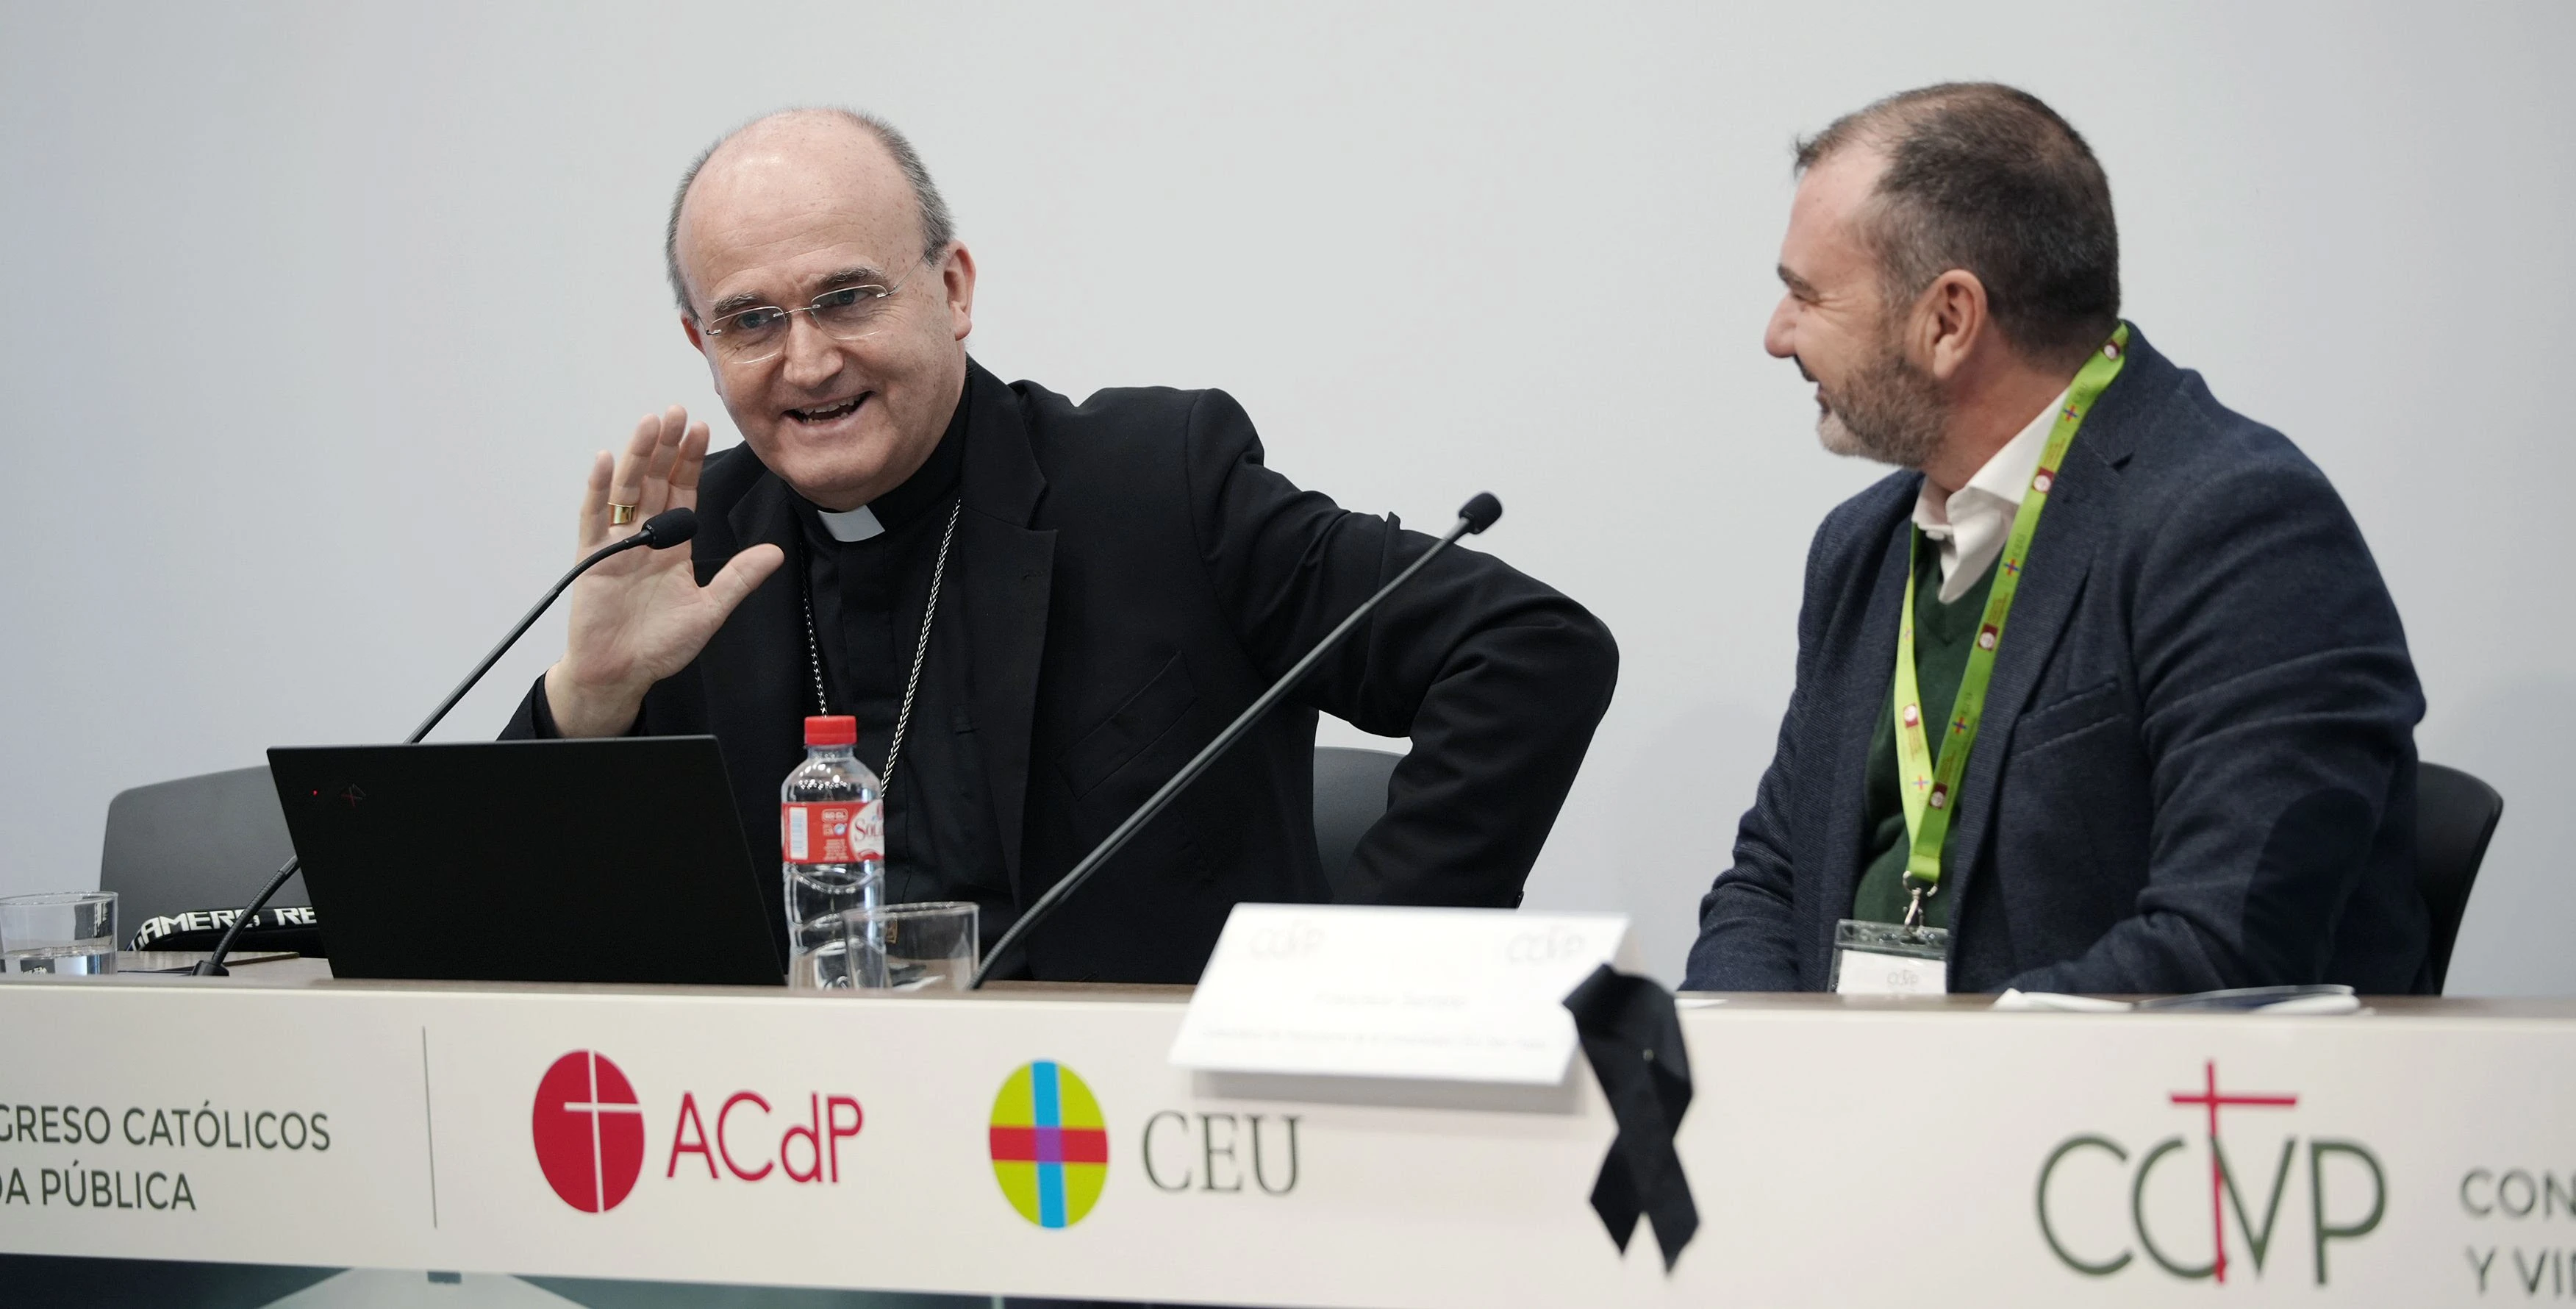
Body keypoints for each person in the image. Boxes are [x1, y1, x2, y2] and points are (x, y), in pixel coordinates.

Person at [504, 108, 1619, 982]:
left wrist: (1355, 982)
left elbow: (1528, 651)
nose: (806, 363)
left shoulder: (1152, 485)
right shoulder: (685, 553)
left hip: (1135, 1163)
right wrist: (587, 699)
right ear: (702, 342)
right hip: (805, 1161)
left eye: (847, 298)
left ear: (951, 290)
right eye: (751, 322)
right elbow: (500, 938)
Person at [1684, 84, 2427, 994]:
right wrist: (1742, 1078)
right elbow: (1770, 882)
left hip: (2099, 1124)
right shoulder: (1862, 546)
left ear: (1949, 320)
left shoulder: (2237, 528)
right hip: (1850, 1112)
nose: (1776, 336)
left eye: (1806, 295)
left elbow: (2223, 947)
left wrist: (1921, 1097)